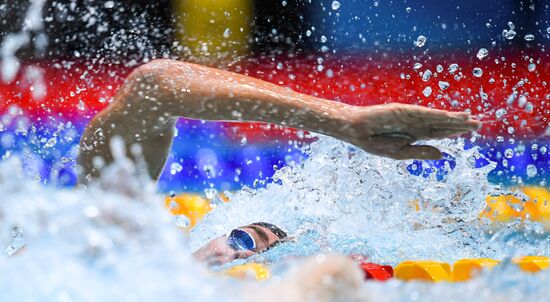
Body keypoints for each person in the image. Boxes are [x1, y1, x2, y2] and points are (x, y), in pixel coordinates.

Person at [77, 59, 481, 264]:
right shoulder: (97, 247)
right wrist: (343, 121)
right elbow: (155, 86)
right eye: (243, 239)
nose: (234, 255)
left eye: (250, 250)